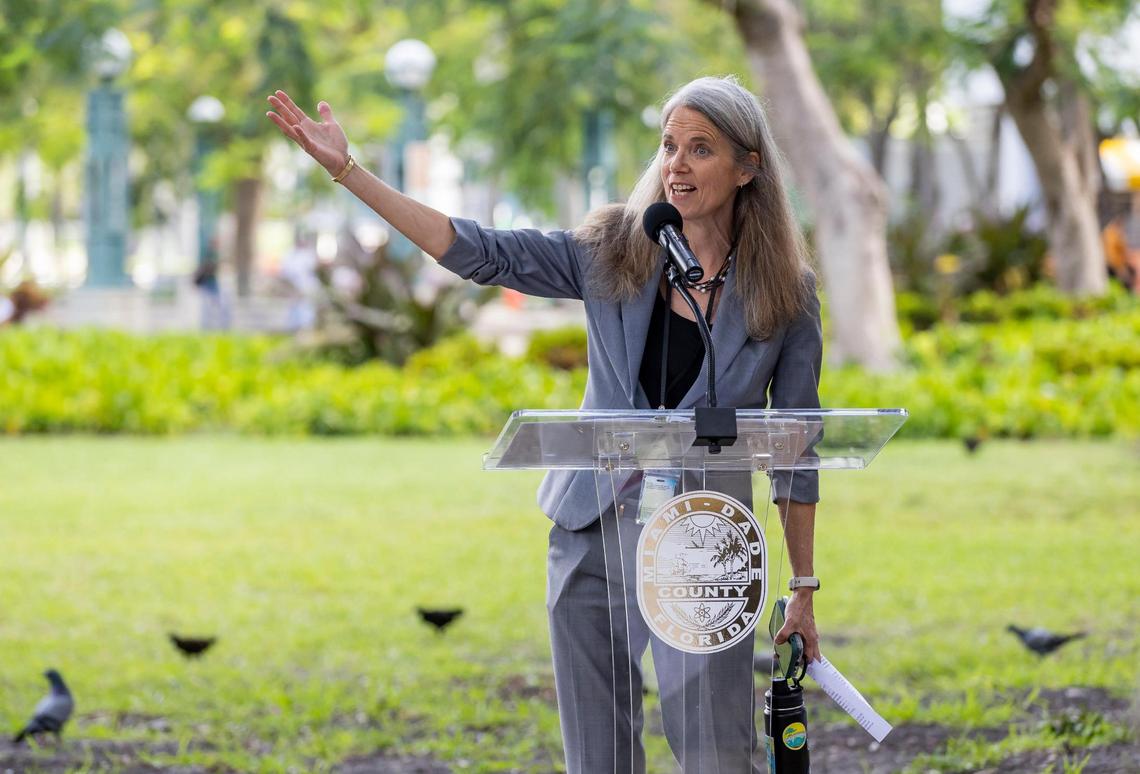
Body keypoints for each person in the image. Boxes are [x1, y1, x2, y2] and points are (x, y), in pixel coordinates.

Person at [268, 75, 822, 773]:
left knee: (716, 753)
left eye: (701, 149)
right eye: (669, 145)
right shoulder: (614, 249)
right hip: (594, 530)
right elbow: (476, 250)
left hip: (706, 545)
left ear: (749, 167)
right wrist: (350, 173)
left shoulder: (786, 293)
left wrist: (803, 587)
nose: (676, 165)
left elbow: (799, 447)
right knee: (598, 758)